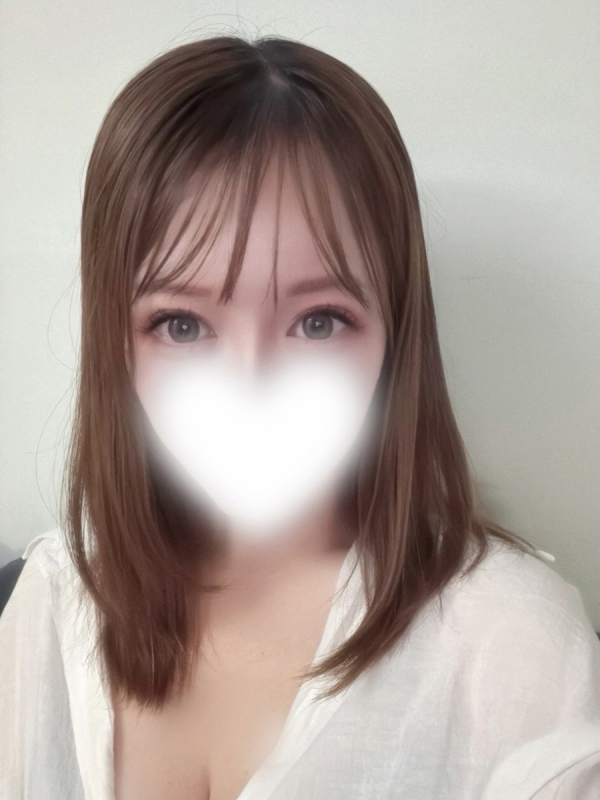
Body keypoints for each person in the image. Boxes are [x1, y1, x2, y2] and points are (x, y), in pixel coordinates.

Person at [1, 34, 599, 800]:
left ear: (396, 336)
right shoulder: (55, 601)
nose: (252, 384)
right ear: (117, 342)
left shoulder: (511, 650)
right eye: (182, 325)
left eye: (318, 322)